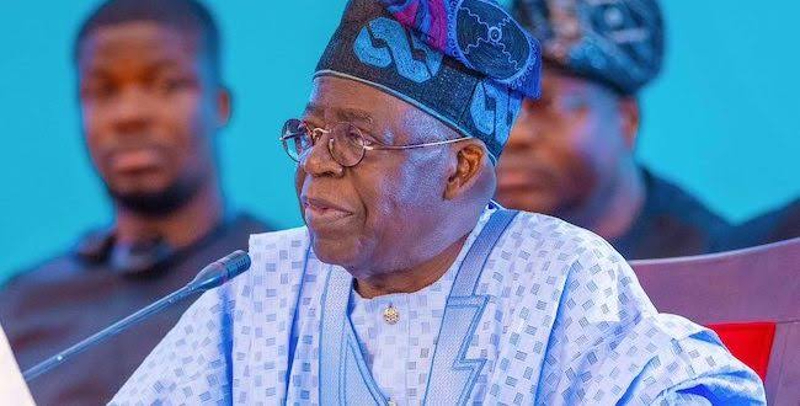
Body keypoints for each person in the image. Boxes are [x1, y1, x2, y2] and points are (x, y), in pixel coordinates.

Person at [112, 0, 764, 404]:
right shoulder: (258, 286)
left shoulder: (559, 272)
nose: (316, 162)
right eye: (309, 134)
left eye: (356, 139)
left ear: (460, 169)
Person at [0, 0, 269, 403]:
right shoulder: (20, 308)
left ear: (220, 105)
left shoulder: (282, 279)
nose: (128, 115)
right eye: (103, 91)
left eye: (167, 84)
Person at [497, 0, 731, 259]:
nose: (511, 135)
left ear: (627, 120)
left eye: (545, 105)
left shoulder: (711, 267)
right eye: (493, 103)